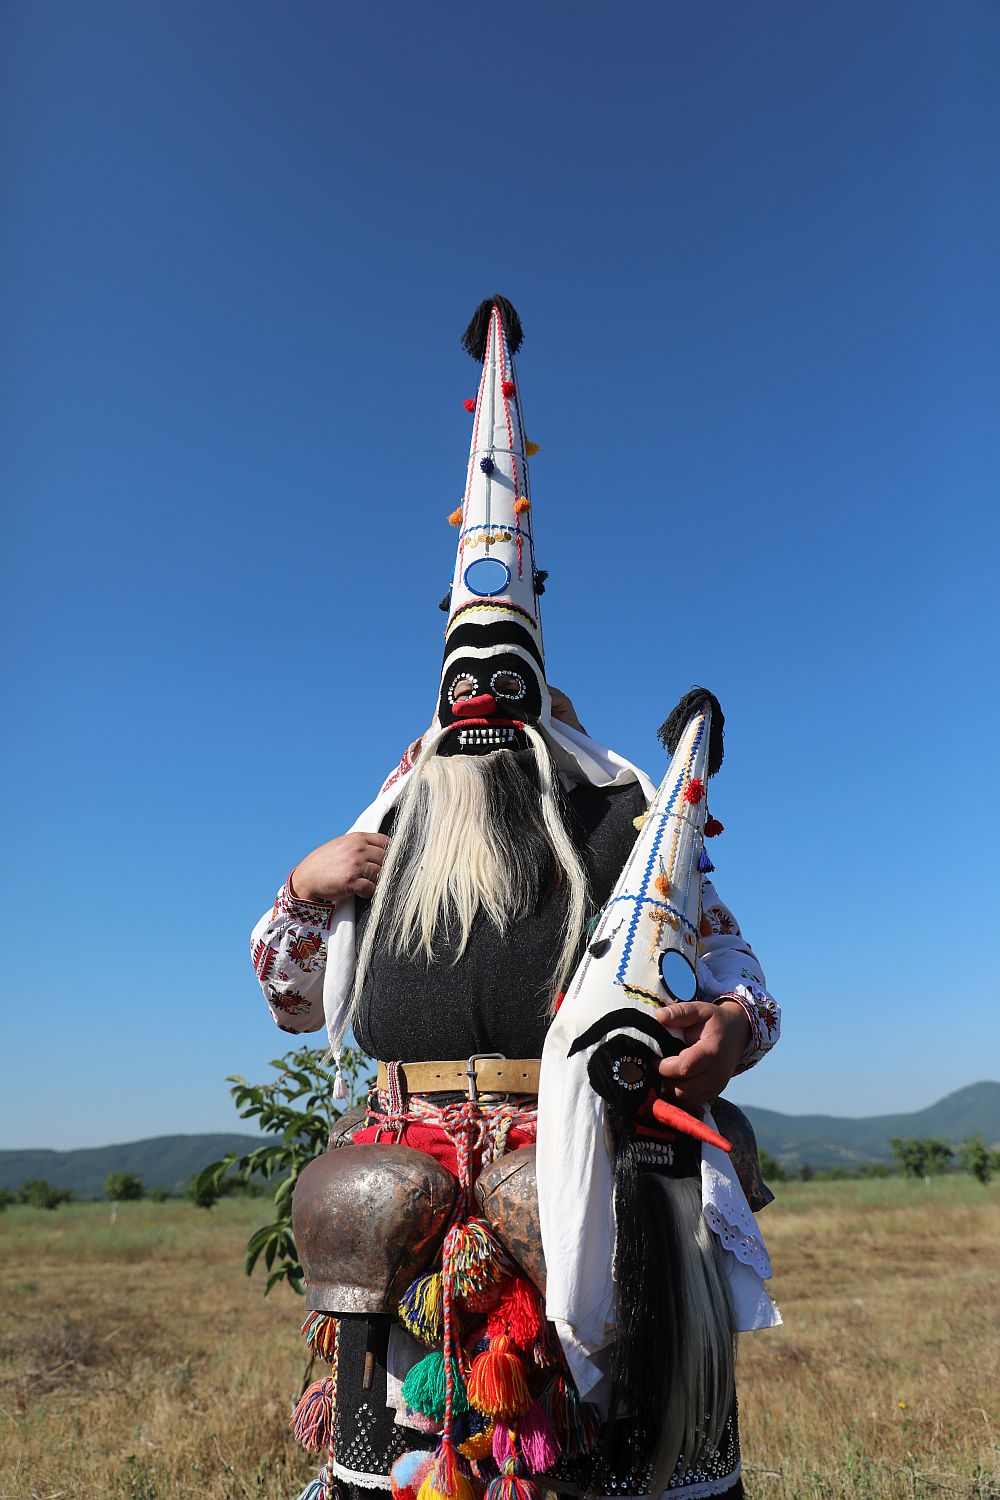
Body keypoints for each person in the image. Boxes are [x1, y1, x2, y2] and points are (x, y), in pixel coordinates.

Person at [251, 299, 780, 1500]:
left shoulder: (622, 811)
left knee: (609, 1463)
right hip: (404, 1201)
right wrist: (301, 881)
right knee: (404, 1467)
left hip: (596, 1183)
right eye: (463, 675)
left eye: (508, 673)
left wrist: (731, 1029)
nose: (483, 695)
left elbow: (741, 978)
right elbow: (290, 999)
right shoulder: (383, 821)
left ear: (541, 678)